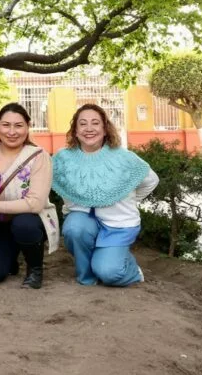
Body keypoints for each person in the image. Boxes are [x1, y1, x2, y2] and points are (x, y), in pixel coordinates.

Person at [54, 104, 159, 287]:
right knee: (74, 228)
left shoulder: (123, 157)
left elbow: (151, 180)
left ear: (104, 129)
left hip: (118, 225)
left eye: (95, 123)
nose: (89, 129)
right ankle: (86, 277)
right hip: (85, 222)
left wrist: (130, 198)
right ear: (75, 131)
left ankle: (130, 269)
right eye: (83, 124)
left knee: (109, 273)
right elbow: (51, 181)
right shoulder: (63, 158)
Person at [0, 103, 57, 289]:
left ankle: (35, 269)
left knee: (24, 225)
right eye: (6, 125)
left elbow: (35, 204)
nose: (12, 131)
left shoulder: (38, 156)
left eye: (18, 126)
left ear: (28, 127)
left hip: (29, 221)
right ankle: (11, 255)